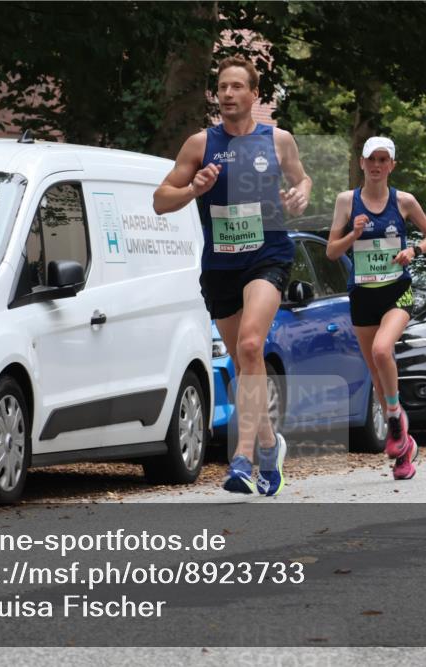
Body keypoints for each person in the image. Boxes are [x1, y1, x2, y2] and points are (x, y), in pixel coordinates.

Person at [153, 55, 312, 496]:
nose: (227, 93)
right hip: (221, 264)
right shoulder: (200, 144)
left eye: (237, 86)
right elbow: (160, 201)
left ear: (254, 94)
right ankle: (269, 444)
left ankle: (241, 458)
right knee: (246, 366)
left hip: (268, 255)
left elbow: (303, 180)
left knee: (250, 345)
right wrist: (194, 189)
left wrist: (299, 195)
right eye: (222, 87)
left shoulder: (277, 140)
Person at [326, 137, 426, 480]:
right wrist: (353, 234)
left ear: (392, 165)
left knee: (381, 350)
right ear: (361, 163)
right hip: (363, 295)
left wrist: (413, 251)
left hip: (397, 292)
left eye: (382, 159)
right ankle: (404, 449)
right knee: (377, 375)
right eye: (371, 159)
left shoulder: (403, 201)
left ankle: (393, 417)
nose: (376, 165)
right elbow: (332, 252)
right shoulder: (346, 202)